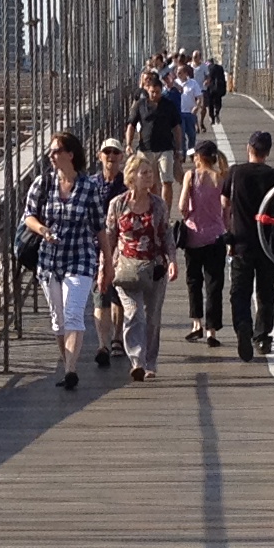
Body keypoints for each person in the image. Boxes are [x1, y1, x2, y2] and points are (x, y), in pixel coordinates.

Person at [20, 131, 107, 390]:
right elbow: (28, 216)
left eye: (56, 151)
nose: (51, 155)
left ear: (70, 154)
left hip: (80, 257)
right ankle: (67, 362)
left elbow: (100, 228)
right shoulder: (42, 184)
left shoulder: (89, 187)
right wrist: (43, 230)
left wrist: (107, 265)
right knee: (58, 319)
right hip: (49, 260)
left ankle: (70, 369)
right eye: (50, 151)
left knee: (72, 314)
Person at [102, 151, 180, 381]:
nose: (149, 177)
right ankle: (137, 360)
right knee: (134, 312)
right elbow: (109, 237)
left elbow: (166, 234)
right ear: (131, 176)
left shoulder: (158, 204)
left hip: (155, 266)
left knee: (153, 316)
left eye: (150, 173)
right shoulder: (118, 205)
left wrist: (173, 260)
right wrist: (104, 267)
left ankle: (150, 363)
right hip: (126, 267)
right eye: (144, 172)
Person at [223, 129, 274, 361]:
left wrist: (227, 232)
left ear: (248, 148)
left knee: (239, 291)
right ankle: (262, 336)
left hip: (240, 242)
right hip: (266, 242)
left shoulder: (235, 173)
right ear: (267, 152)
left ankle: (243, 324)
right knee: (265, 290)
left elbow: (225, 204)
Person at [176, 142, 232, 345]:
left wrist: (189, 214)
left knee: (194, 281)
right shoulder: (221, 178)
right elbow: (226, 210)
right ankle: (212, 331)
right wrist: (227, 232)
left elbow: (182, 205)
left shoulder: (191, 176)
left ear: (198, 157)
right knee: (214, 284)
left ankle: (196, 324)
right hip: (216, 238)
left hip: (193, 236)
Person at [91, 137, 132, 367]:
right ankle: (102, 344)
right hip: (96, 248)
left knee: (117, 294)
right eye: (107, 152)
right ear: (100, 156)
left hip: (119, 248)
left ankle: (117, 337)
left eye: (115, 153)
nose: (111, 156)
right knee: (100, 294)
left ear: (120, 157)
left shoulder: (125, 186)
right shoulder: (91, 184)